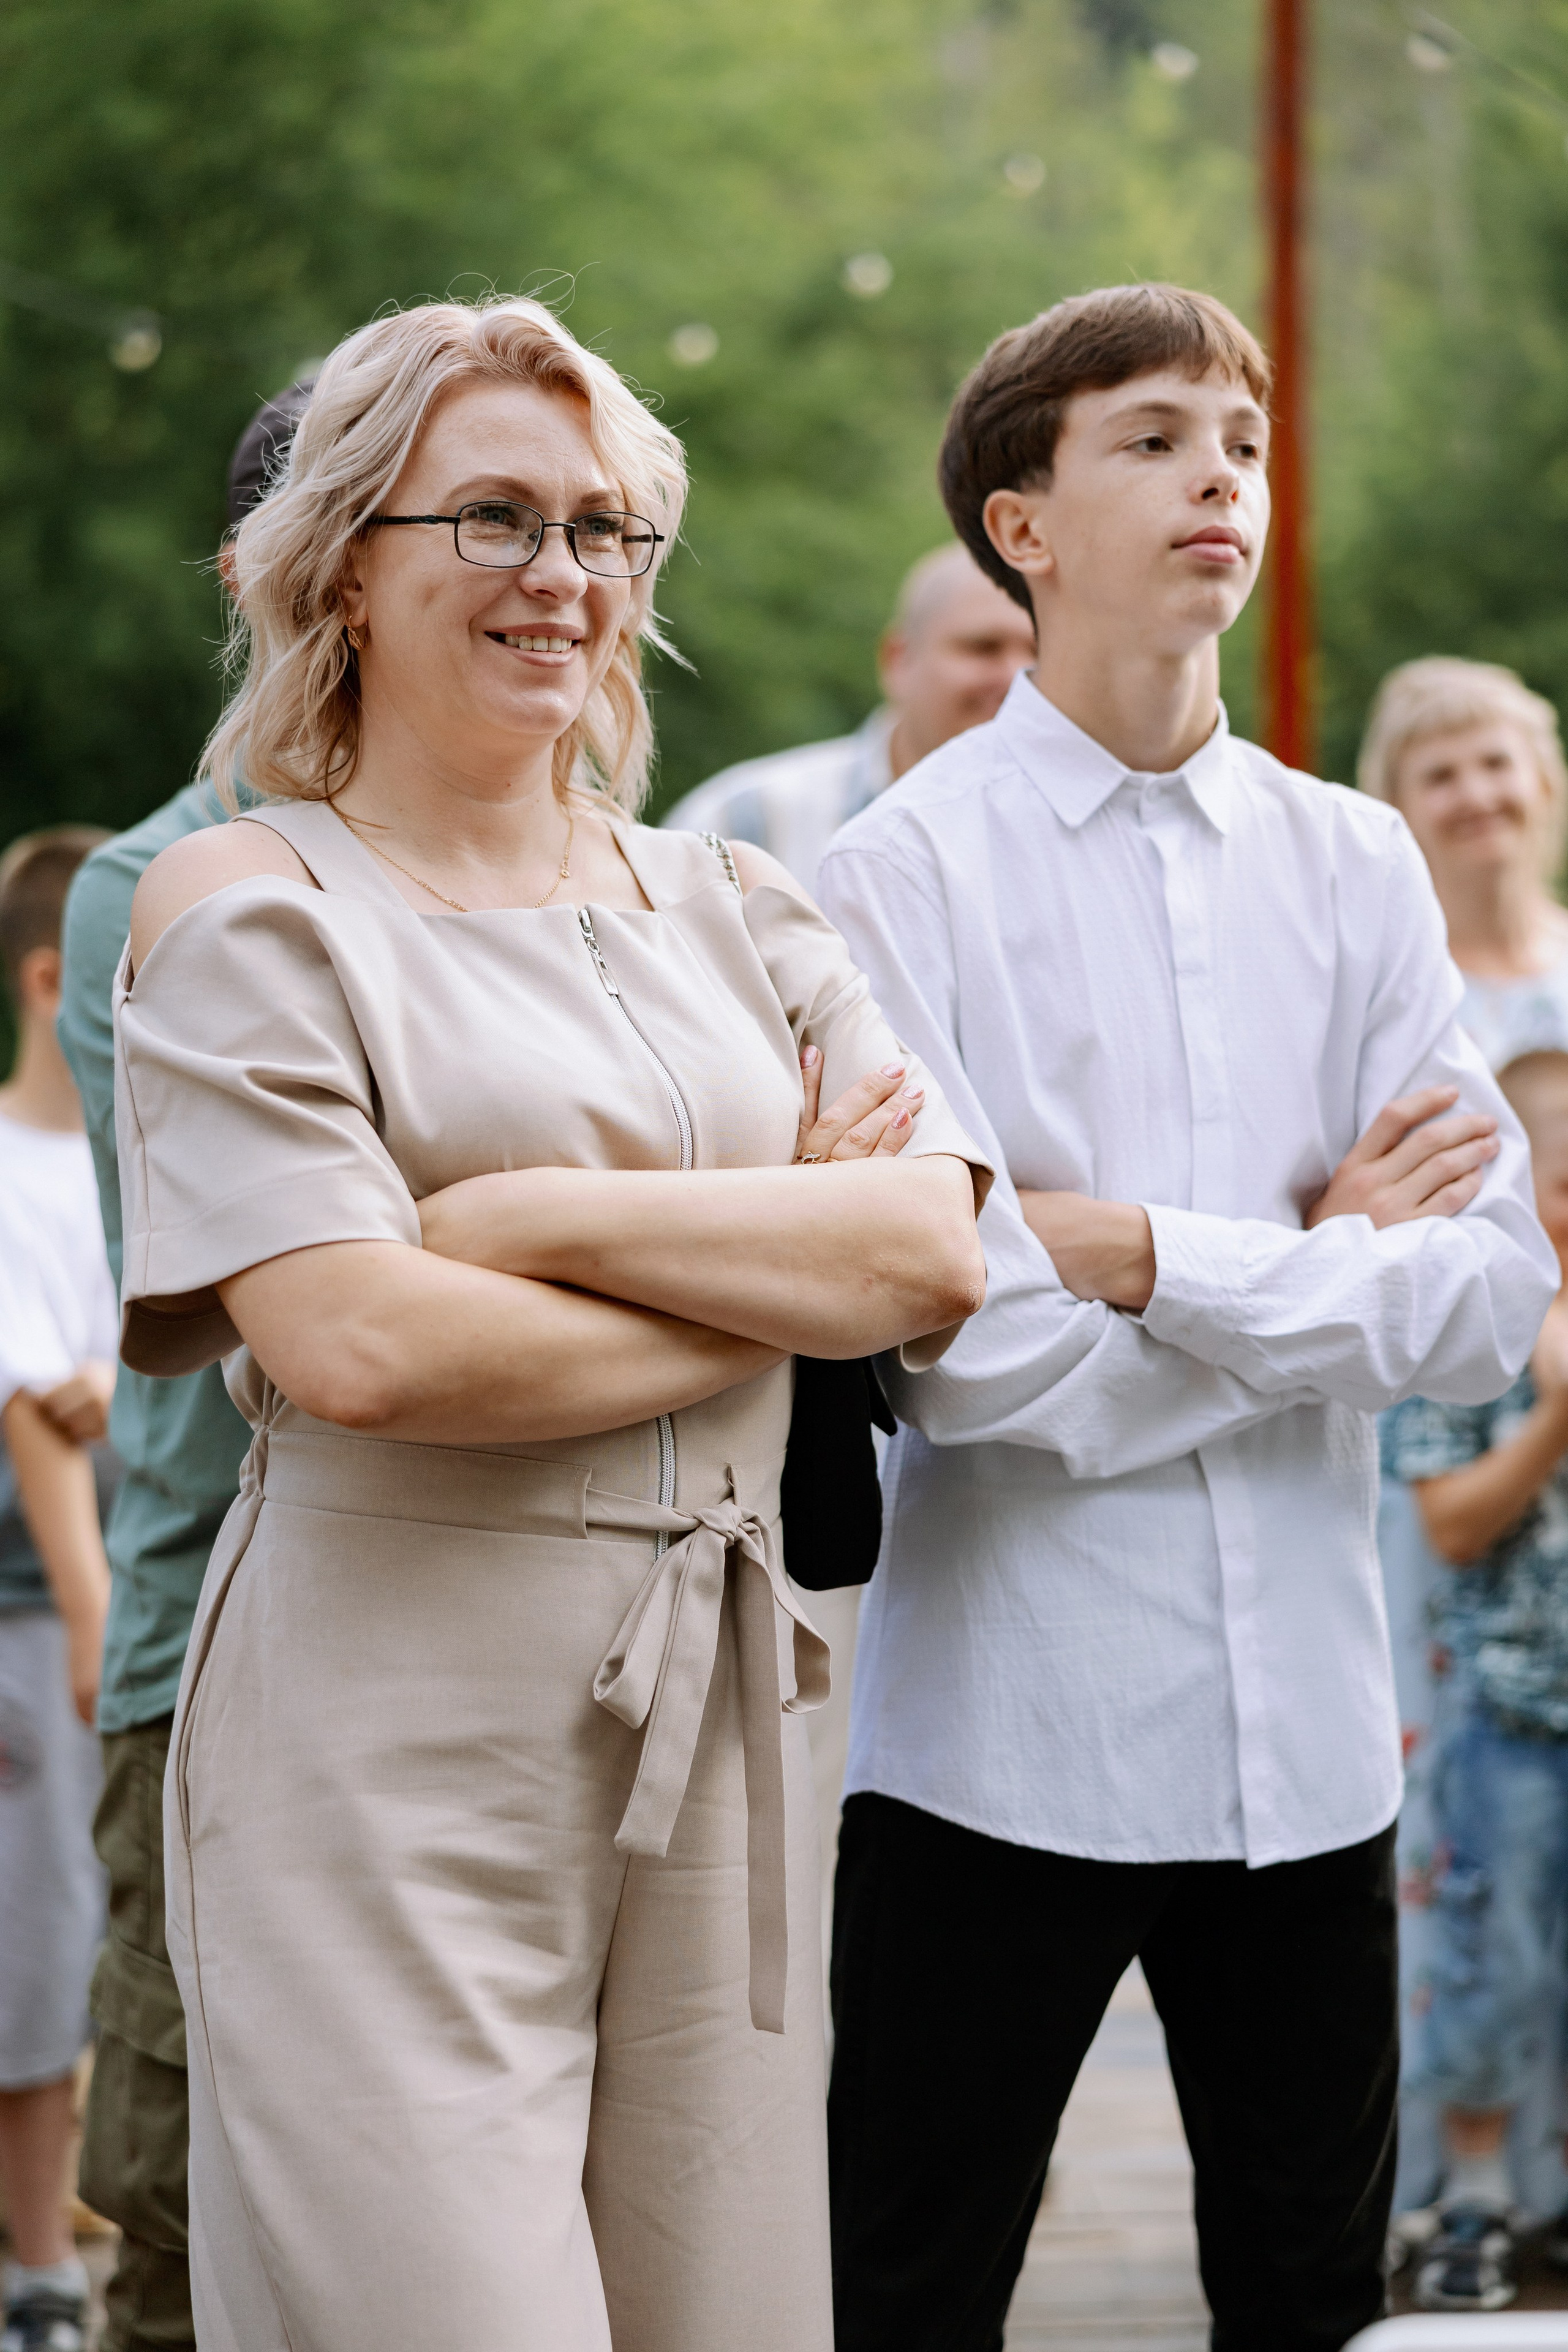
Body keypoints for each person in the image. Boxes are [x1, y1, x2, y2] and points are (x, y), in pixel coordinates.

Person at [117, 295, 988, 2351]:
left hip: (743, 1735)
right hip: (383, 1751)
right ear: (343, 558)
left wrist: (523, 1218)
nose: (564, 579)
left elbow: (936, 1255)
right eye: (497, 519)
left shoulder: (736, 902)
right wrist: (772, 1264)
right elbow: (362, 1351)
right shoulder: (250, 907)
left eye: (607, 532)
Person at [815, 281, 1558, 2352]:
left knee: (1312, 2303)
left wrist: (1144, 1248)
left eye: (1237, 436)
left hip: (1316, 1747)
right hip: (998, 1745)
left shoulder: (1361, 861)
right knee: (908, 2290)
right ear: (1020, 520)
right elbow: (961, 1355)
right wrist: (1324, 1259)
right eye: (1151, 436)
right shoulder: (894, 877)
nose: (1220, 471)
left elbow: (1490, 1299)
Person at [56, 374, 314, 2352]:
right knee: (184, 2216)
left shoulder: (585, 858)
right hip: (226, 1639)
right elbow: (277, 1299)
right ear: (261, 570)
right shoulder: (158, 882)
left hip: (538, 1626)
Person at [1357, 657, 1568, 2239]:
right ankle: (1448, 2185)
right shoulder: (1402, 997)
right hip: (1447, 1445)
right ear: (1401, 807)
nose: (1481, 799)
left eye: (1502, 765)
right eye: (1444, 775)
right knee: (1453, 1829)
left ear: (1545, 784)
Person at [1381, 1048, 1568, 2312]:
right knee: (1487, 1960)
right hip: (1507, 1713)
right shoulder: (1473, 1328)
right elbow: (1446, 1522)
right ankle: (1470, 2202)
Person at [0, 826, 118, 2352]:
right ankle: (39, 2259)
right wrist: (91, 1621)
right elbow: (36, 1403)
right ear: (52, 980)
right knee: (38, 1927)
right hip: (39, 1604)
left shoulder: (157, 1145)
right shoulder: (14, 1172)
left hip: (171, 1576)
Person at [662, 542, 1037, 892]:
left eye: (1040, 652)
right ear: (898, 661)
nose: (1016, 678)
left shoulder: (1076, 840)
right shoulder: (744, 824)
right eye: (984, 649)